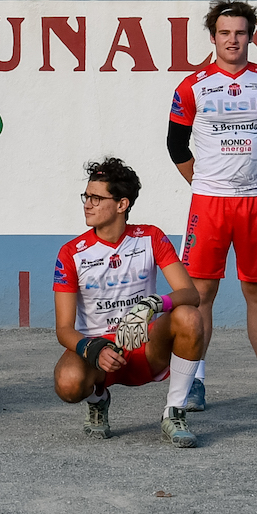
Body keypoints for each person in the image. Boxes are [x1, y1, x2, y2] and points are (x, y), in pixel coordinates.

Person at [166, 0, 257, 412]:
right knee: (200, 294)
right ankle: (194, 383)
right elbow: (175, 144)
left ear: (251, 37)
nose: (233, 40)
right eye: (225, 33)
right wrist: (206, 183)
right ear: (213, 37)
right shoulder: (192, 86)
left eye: (240, 33)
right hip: (210, 206)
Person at [51, 158, 206, 448]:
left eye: (97, 198)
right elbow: (63, 329)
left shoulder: (150, 237)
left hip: (146, 345)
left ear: (122, 204)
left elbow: (190, 294)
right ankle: (98, 399)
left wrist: (153, 303)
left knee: (190, 317)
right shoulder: (71, 253)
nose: (88, 204)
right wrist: (93, 348)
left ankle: (174, 413)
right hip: (99, 354)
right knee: (68, 383)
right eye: (87, 196)